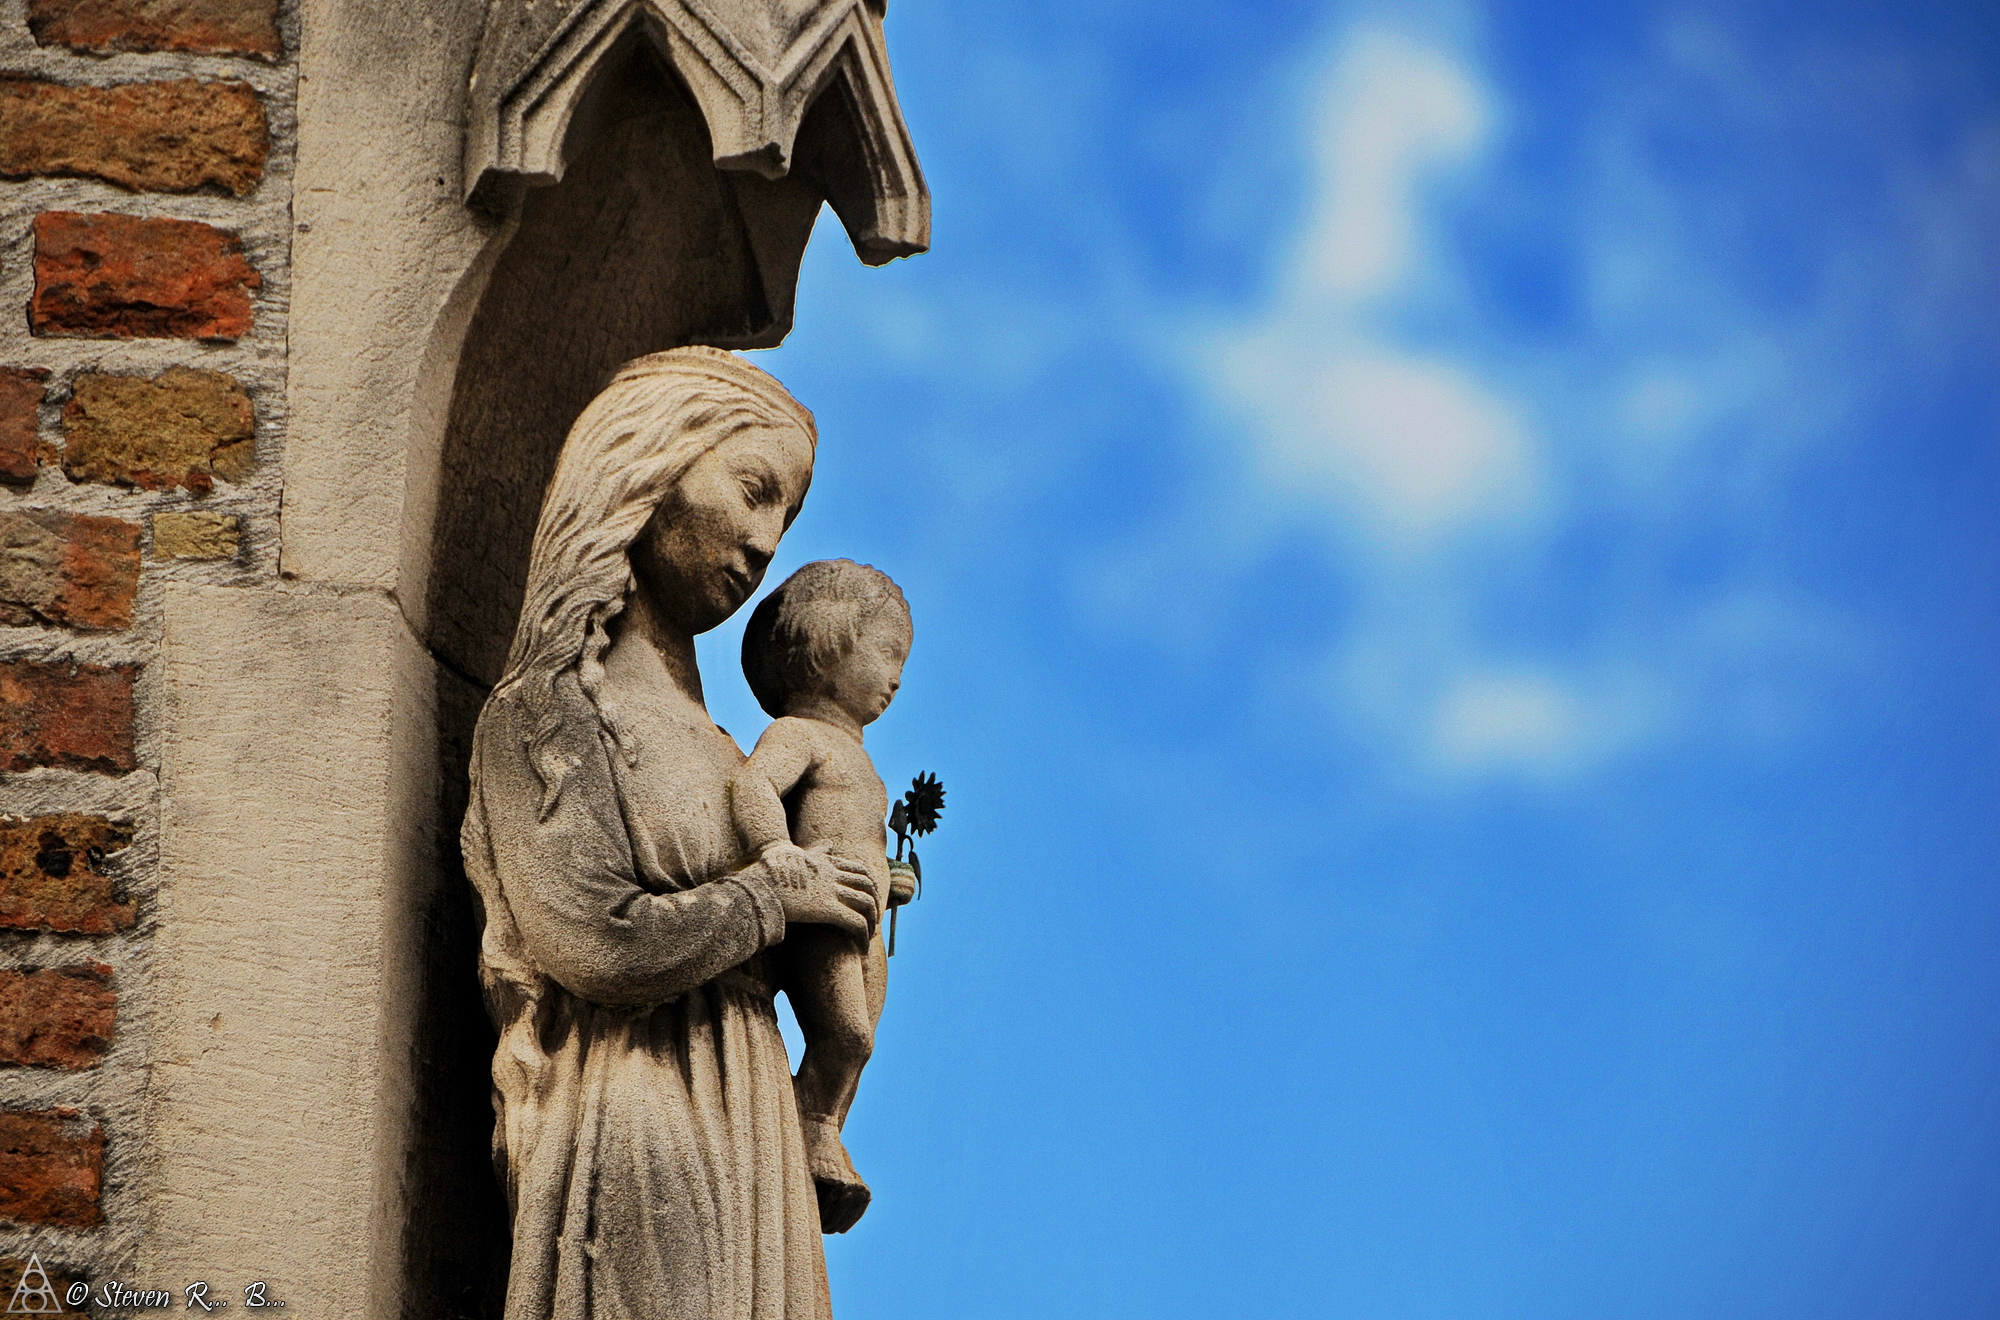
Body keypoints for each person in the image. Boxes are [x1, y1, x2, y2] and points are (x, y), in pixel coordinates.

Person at [461, 346, 878, 1320]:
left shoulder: (730, 748)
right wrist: (775, 895)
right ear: (647, 466)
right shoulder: (547, 711)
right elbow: (594, 943)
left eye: (787, 518)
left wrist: (846, 906)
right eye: (753, 490)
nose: (766, 542)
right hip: (640, 1112)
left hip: (754, 1124)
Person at [730, 560, 915, 1235]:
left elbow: (860, 832)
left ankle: (820, 1128)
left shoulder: (860, 758)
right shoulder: (799, 734)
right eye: (887, 653)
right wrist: (778, 850)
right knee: (847, 1033)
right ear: (828, 644)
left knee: (861, 1044)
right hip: (825, 907)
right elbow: (754, 787)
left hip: (865, 914)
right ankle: (808, 1128)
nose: (896, 677)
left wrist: (894, 880)